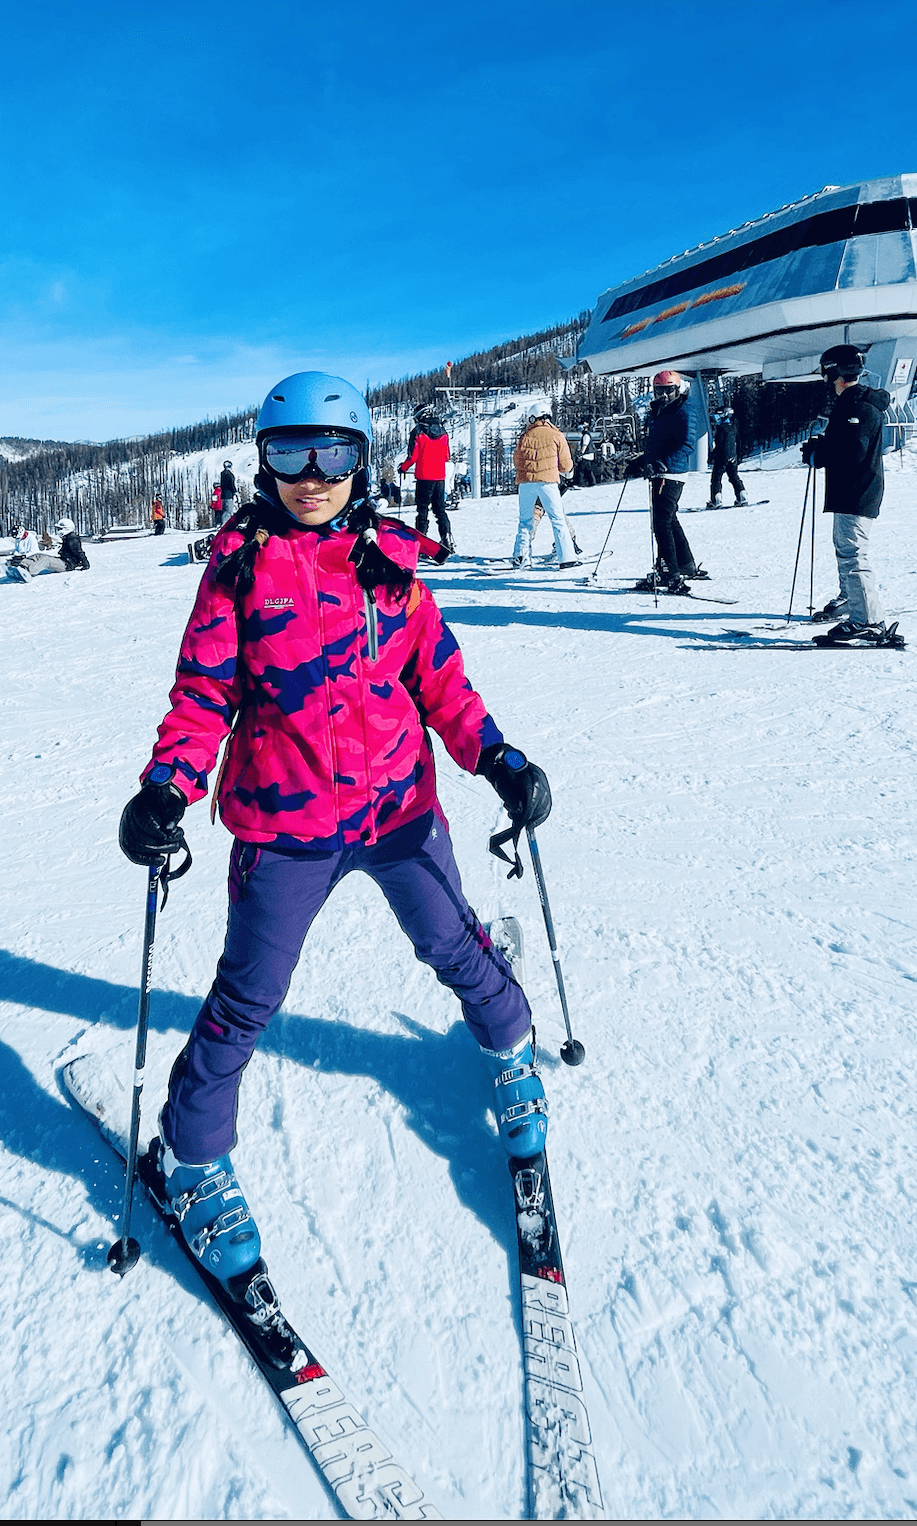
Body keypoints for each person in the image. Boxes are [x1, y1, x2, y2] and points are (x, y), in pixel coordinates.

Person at [117, 371, 552, 1288]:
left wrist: (498, 756)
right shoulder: (236, 568)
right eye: (289, 453)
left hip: (399, 809)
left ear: (362, 459)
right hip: (288, 823)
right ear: (263, 460)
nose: (311, 476)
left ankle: (511, 1048)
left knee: (456, 943)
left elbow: (440, 681)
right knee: (249, 996)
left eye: (333, 453)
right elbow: (204, 698)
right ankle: (191, 1155)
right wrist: (165, 788)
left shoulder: (390, 563)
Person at [801, 345, 892, 642]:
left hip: (857, 490)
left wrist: (821, 452)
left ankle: (867, 620)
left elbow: (853, 451)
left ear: (834, 372)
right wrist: (821, 447)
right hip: (851, 490)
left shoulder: (858, 407)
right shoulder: (852, 403)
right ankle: (855, 607)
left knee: (854, 554)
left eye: (827, 372)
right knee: (847, 551)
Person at [625, 370, 707, 592]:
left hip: (670, 473)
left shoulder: (684, 410)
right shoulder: (661, 410)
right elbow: (660, 443)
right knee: (669, 520)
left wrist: (661, 463)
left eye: (668, 390)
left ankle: (669, 573)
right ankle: (685, 565)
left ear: (677, 390)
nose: (663, 395)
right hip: (661, 471)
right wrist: (641, 462)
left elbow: (687, 444)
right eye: (659, 390)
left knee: (661, 523)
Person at [511, 411, 577, 568]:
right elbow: (566, 465)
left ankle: (521, 558)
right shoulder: (555, 434)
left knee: (525, 521)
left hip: (526, 483)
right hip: (548, 483)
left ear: (533, 417)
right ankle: (566, 558)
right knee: (557, 519)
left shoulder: (525, 436)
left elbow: (517, 461)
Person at [399, 408, 454, 552]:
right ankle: (446, 537)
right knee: (440, 510)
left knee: (422, 511)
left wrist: (403, 468)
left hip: (424, 477)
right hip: (440, 477)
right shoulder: (443, 431)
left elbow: (413, 456)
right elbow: (446, 456)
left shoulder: (418, 431)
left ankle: (421, 544)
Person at [707, 406, 747, 508]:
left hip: (722, 457)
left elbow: (720, 444)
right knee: (734, 477)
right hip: (733, 456)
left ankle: (716, 500)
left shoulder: (721, 429)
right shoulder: (734, 427)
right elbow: (738, 442)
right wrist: (737, 456)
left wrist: (713, 455)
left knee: (716, 479)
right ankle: (742, 497)